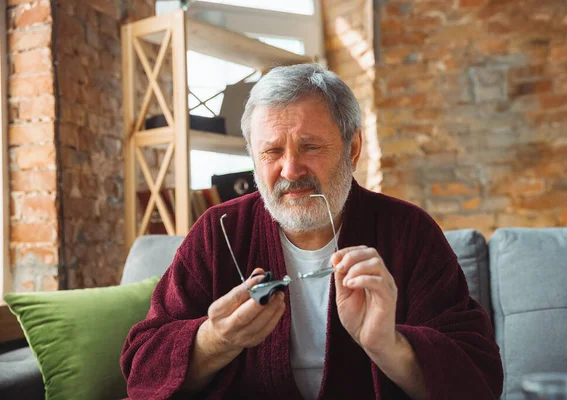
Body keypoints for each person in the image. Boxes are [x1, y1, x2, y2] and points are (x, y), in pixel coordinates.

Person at [121, 64, 503, 400]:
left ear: (352, 147)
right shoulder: (219, 232)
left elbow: (478, 375)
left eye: (310, 147)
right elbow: (142, 367)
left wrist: (389, 346)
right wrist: (216, 339)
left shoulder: (408, 232)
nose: (290, 170)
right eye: (271, 152)